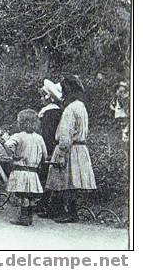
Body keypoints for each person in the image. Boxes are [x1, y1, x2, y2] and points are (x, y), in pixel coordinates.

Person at [46, 74, 97, 223]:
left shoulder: (70, 109)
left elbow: (65, 133)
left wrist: (61, 152)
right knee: (71, 182)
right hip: (79, 148)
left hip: (70, 149)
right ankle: (65, 210)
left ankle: (69, 212)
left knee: (67, 181)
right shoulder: (81, 106)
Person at [0, 109, 48, 226]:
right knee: (30, 195)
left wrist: (14, 155)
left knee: (22, 194)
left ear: (21, 123)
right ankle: (29, 217)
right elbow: (44, 154)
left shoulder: (18, 136)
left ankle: (23, 217)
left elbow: (8, 145)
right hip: (33, 171)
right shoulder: (39, 138)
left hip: (20, 169)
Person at [36, 79, 64, 217]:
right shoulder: (56, 111)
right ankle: (43, 203)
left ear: (49, 98)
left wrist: (45, 151)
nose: (41, 99)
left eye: (43, 96)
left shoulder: (50, 113)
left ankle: (43, 204)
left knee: (47, 176)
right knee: (49, 176)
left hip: (49, 148)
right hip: (54, 147)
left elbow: (47, 134)